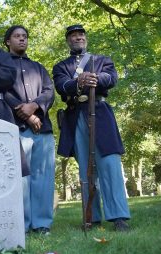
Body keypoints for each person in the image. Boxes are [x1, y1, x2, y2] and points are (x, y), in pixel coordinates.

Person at [52, 24, 130, 231]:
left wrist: (96, 78)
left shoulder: (102, 60)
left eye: (81, 35)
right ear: (68, 40)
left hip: (101, 114)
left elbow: (111, 78)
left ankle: (119, 216)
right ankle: (91, 217)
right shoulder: (61, 66)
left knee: (110, 164)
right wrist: (78, 82)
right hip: (77, 115)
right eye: (73, 36)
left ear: (85, 38)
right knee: (86, 170)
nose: (78, 38)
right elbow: (61, 86)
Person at [3, 25, 55, 235]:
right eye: (17, 36)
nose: (22, 40)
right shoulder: (3, 67)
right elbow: (3, 93)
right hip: (16, 128)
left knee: (43, 177)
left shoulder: (38, 68)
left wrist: (35, 107)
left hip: (43, 129)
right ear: (8, 41)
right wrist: (27, 114)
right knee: (20, 179)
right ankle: (21, 225)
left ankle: (42, 224)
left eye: (24, 36)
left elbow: (49, 92)